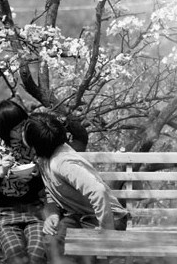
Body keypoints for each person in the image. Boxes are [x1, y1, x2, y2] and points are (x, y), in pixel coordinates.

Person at [22, 113, 129, 263]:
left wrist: (106, 232)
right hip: (80, 216)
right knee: (51, 240)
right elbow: (52, 189)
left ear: (35, 143)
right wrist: (53, 214)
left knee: (84, 252)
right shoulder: (46, 155)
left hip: (108, 218)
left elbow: (98, 191)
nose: (22, 134)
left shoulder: (63, 163)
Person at [0, 99, 47, 264]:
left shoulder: (31, 142)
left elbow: (44, 185)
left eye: (24, 125)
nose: (24, 131)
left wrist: (34, 176)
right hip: (2, 214)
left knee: (37, 254)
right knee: (16, 256)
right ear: (5, 131)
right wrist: (0, 174)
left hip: (34, 212)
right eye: (18, 128)